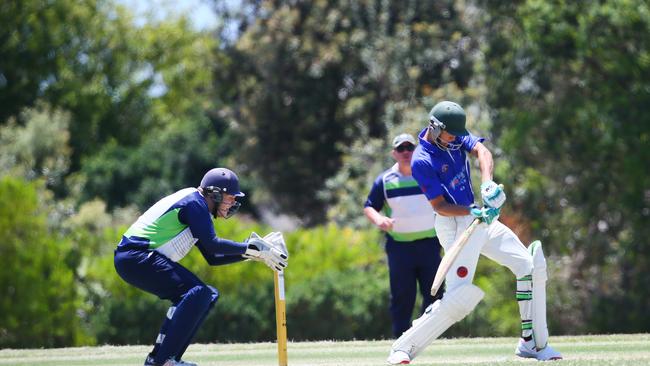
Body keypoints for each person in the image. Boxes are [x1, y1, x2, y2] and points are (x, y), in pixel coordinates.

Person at [386, 101, 562, 364]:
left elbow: (482, 150)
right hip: (456, 223)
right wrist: (472, 211)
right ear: (435, 128)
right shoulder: (422, 160)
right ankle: (404, 347)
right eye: (450, 135)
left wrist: (488, 184)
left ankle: (532, 344)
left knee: (528, 267)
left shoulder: (454, 135)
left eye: (458, 134)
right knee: (459, 299)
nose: (455, 139)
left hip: (481, 219)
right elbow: (440, 206)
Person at [114, 168, 288, 366]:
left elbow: (212, 257)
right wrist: (251, 249)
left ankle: (166, 359)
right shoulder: (194, 204)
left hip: (133, 257)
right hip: (135, 255)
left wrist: (251, 254)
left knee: (207, 295)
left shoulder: (198, 206)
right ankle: (163, 361)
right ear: (215, 193)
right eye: (230, 198)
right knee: (197, 293)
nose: (233, 203)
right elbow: (213, 244)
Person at [364, 133, 443, 338]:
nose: (406, 152)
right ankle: (401, 341)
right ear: (394, 153)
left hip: (430, 244)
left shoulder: (429, 174)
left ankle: (429, 337)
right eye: (401, 149)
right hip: (400, 248)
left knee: (435, 294)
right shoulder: (385, 180)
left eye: (410, 147)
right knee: (402, 297)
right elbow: (370, 206)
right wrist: (379, 220)